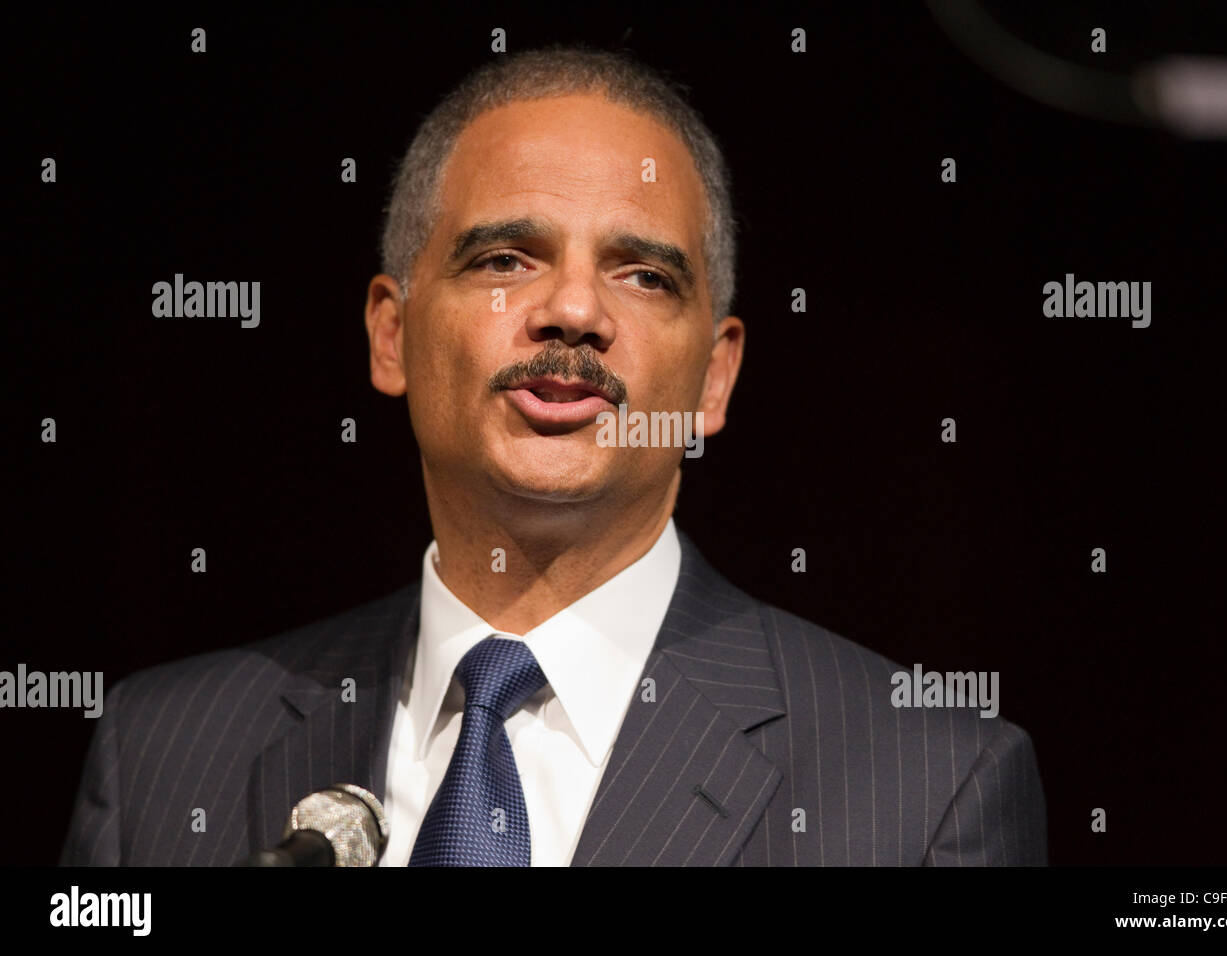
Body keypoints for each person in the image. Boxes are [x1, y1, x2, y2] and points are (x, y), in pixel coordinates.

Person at [60, 43, 1047, 867]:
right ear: (391, 335)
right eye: (504, 259)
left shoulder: (921, 792)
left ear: (713, 375)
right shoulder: (162, 758)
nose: (572, 310)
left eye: (643, 273)